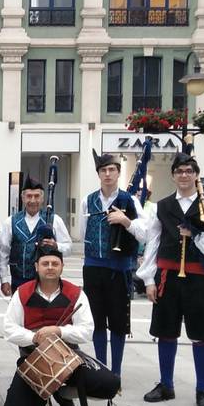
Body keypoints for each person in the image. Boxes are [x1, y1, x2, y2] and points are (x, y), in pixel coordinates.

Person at [137, 152, 204, 406]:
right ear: (173, 175)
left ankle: (202, 389)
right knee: (166, 331)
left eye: (189, 171)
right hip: (167, 276)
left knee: (201, 333)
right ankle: (166, 384)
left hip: (199, 277)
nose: (184, 175)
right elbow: (152, 242)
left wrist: (197, 234)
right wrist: (148, 279)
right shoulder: (163, 206)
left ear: (196, 175)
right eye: (179, 171)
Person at [3, 245, 121, 406]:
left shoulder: (76, 293)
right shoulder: (22, 292)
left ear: (62, 267)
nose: (50, 267)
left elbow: (87, 330)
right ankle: (41, 396)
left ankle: (62, 394)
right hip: (34, 359)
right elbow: (9, 328)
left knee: (110, 384)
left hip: (69, 359)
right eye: (45, 263)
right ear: (36, 267)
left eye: (55, 263)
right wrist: (34, 337)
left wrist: (59, 331)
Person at [78, 150, 148, 377]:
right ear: (98, 173)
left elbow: (144, 234)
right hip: (93, 267)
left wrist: (126, 221)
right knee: (97, 321)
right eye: (103, 170)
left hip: (119, 269)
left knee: (118, 323)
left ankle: (115, 372)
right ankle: (101, 368)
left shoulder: (131, 200)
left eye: (111, 170)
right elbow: (82, 232)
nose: (107, 174)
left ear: (118, 173)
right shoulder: (87, 201)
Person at [0, 175, 71, 295]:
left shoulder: (54, 220)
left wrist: (56, 246)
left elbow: (68, 247)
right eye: (29, 196)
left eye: (36, 196)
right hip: (18, 281)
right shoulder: (11, 222)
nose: (32, 200)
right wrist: (4, 280)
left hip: (46, 283)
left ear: (42, 198)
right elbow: (3, 253)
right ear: (22, 198)